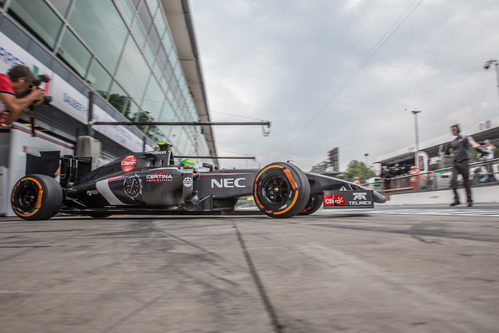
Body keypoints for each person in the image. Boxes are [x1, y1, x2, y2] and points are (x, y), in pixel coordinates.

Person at [446, 124, 490, 207]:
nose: (452, 131)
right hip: (455, 163)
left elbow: (473, 143)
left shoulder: (465, 137)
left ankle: (469, 200)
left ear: (458, 130)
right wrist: (453, 154)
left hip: (464, 162)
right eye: (451, 130)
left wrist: (481, 150)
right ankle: (457, 200)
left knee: (466, 183)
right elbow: (448, 152)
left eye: (454, 130)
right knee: (453, 182)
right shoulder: (452, 142)